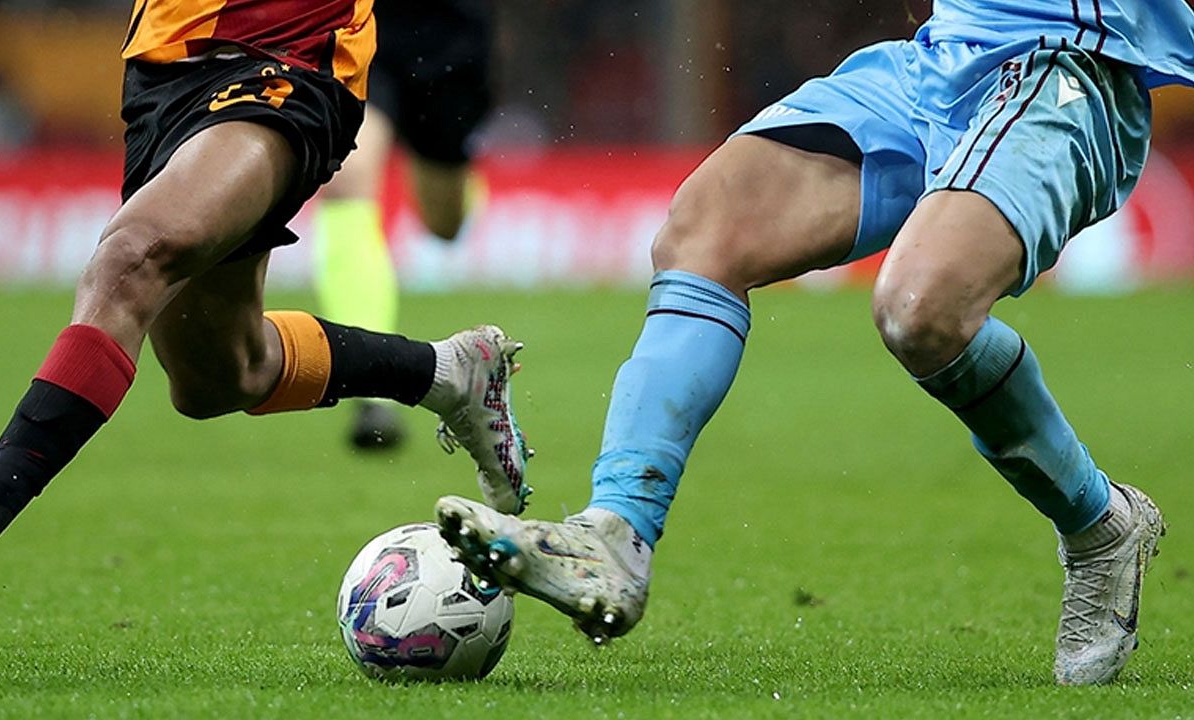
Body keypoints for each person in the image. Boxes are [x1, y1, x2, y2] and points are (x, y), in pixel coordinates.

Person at [434, 0, 1191, 686]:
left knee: (920, 311)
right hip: (941, 60)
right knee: (707, 229)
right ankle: (616, 535)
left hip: (1065, 65)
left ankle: (1099, 525)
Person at [0, 0, 533, 628]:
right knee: (218, 374)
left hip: (285, 59)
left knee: (130, 260)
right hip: (163, 68)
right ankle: (449, 372)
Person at [314, 0, 494, 450]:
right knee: (346, 176)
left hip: (452, 38)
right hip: (364, 28)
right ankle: (372, 390)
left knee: (444, 223)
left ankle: (463, 185)